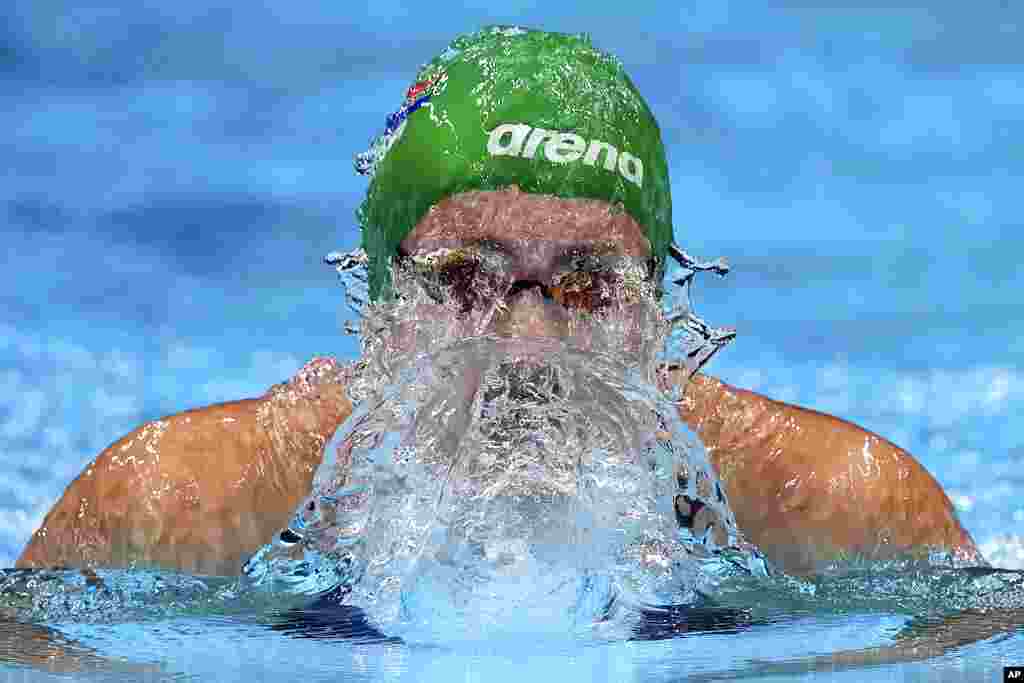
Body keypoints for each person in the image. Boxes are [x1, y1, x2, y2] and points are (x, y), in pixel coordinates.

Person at [16, 26, 982, 579]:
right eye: (467, 278)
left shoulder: (843, 508)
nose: (529, 344)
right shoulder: (179, 507)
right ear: (380, 299)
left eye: (589, 284)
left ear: (657, 307)